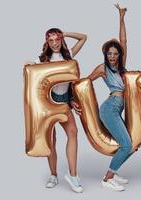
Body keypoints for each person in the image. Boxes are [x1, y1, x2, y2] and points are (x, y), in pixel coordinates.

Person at [76, 4, 131, 191]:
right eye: (110, 53)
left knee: (130, 144)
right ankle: (107, 179)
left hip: (118, 106)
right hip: (110, 108)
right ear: (105, 54)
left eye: (115, 53)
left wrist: (121, 18)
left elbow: (123, 39)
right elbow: (85, 82)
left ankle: (114, 171)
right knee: (127, 144)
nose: (113, 56)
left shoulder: (121, 67)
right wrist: (73, 97)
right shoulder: (103, 68)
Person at [25, 28, 87, 193]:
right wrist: (28, 64)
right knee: (51, 141)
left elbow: (83, 38)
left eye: (57, 39)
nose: (54, 43)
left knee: (73, 132)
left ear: (60, 40)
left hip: (64, 102)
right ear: (46, 42)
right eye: (51, 40)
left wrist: (65, 33)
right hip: (47, 104)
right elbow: (33, 77)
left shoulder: (69, 57)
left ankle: (73, 175)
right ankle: (53, 175)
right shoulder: (43, 60)